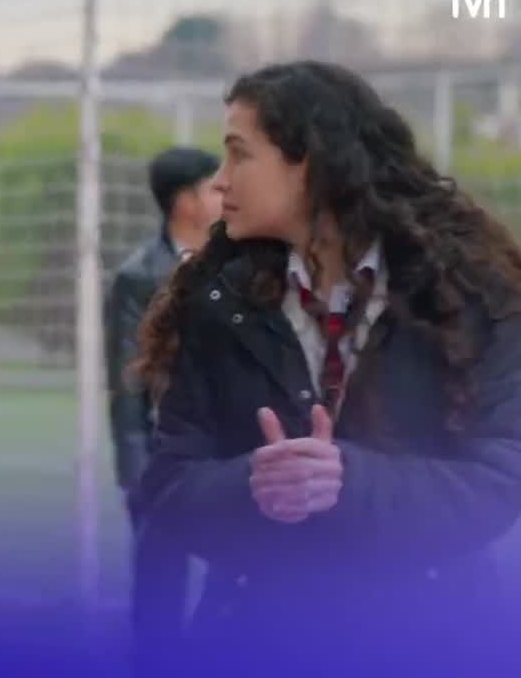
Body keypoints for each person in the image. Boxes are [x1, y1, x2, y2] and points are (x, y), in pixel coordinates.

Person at [134, 60, 521, 675]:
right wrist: (252, 486)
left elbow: (501, 476)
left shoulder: (468, 298)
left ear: (309, 163)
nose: (221, 180)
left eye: (239, 154)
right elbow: (169, 484)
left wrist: (348, 481)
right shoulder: (217, 300)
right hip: (255, 643)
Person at [104, 146, 219, 675]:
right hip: (164, 452)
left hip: (229, 449)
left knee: (239, 578)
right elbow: (127, 380)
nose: (224, 192)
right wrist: (136, 472)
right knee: (160, 581)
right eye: (211, 187)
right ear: (184, 202)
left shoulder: (243, 261)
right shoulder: (139, 276)